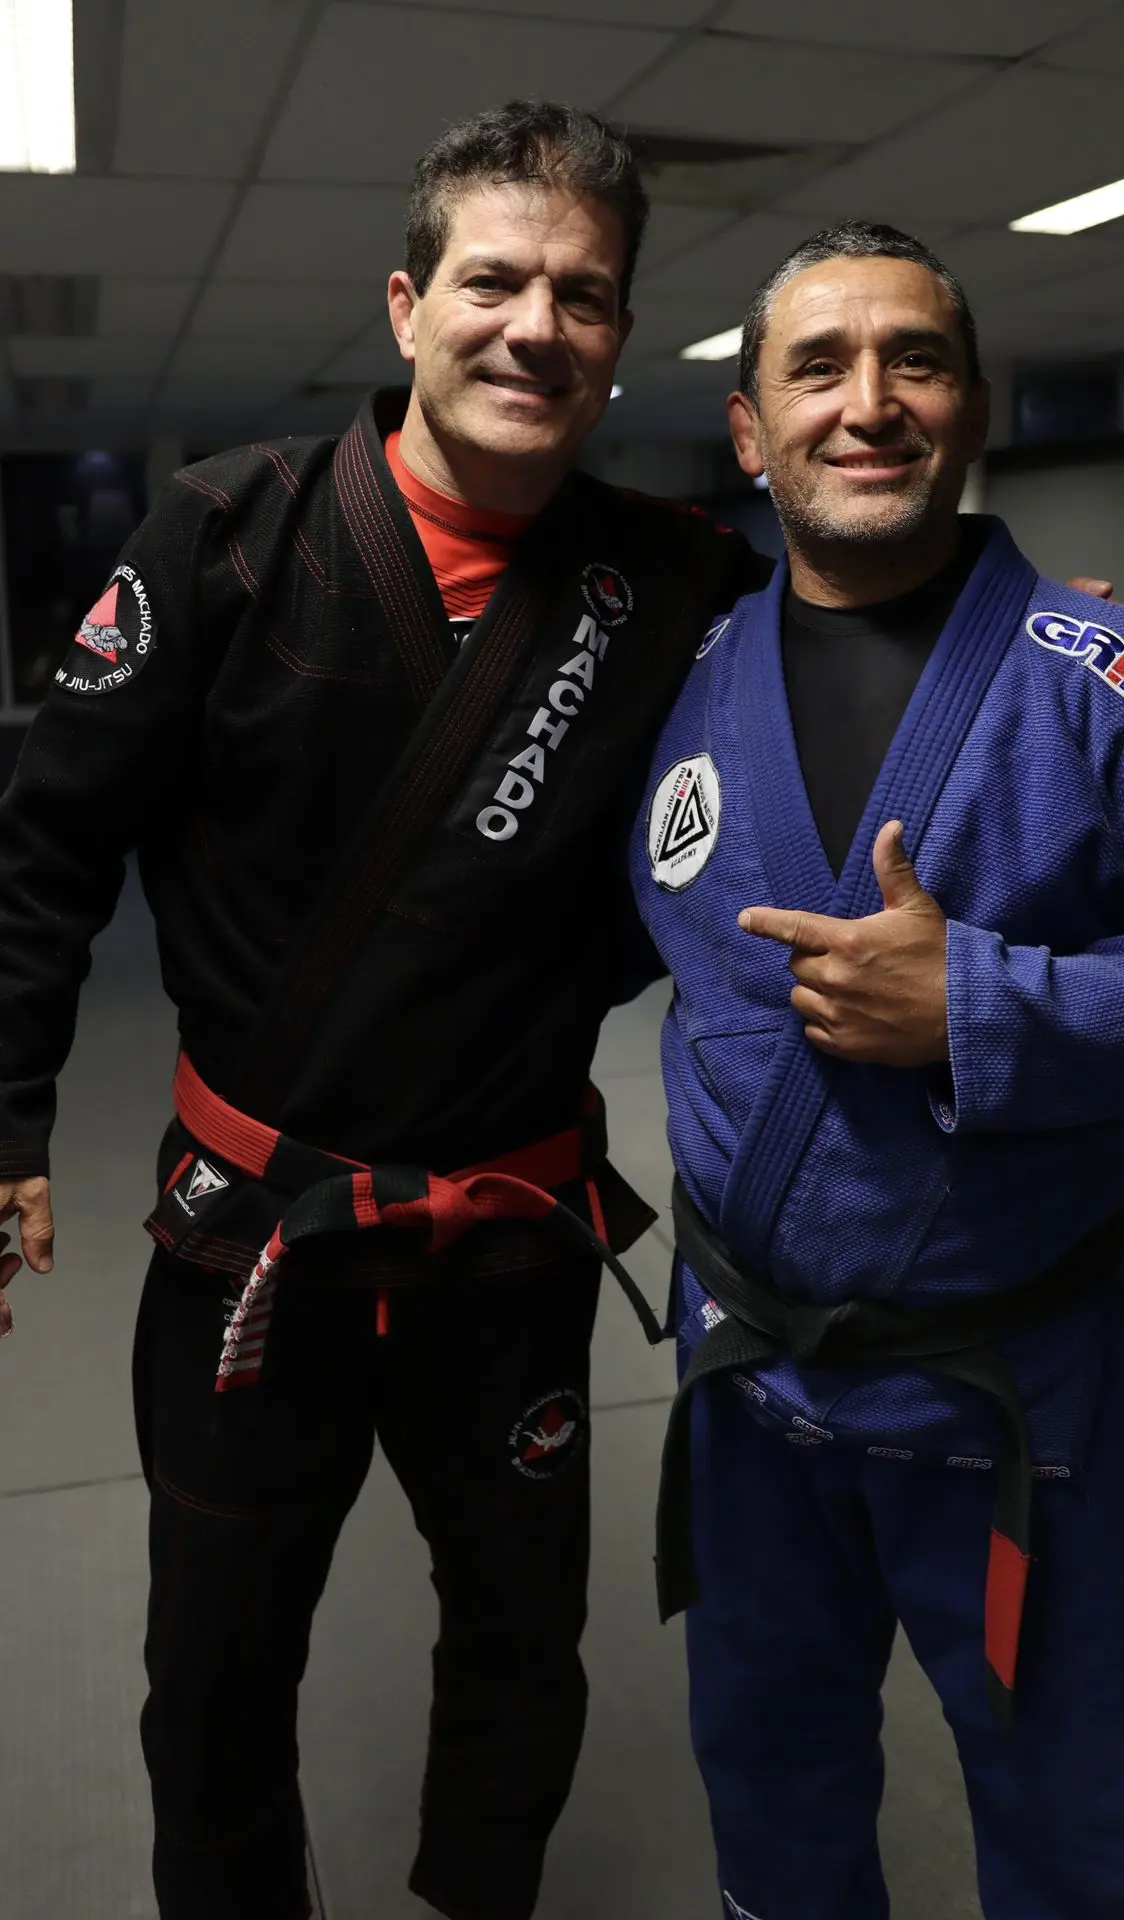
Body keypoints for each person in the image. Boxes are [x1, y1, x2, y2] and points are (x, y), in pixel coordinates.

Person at [0, 102, 766, 1920]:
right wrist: (6, 1116)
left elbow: (849, 633)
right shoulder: (223, 538)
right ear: (409, 305)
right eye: (496, 280)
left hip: (506, 1243)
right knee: (213, 1676)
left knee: (521, 1650)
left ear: (621, 337)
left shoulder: (668, 583)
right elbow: (43, 846)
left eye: (585, 296)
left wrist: (997, 615)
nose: (537, 326)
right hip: (253, 1237)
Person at [631, 221, 1124, 1920]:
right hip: (747, 1380)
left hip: (1005, 1385)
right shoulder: (687, 678)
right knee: (770, 1788)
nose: (871, 402)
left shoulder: (1111, 682)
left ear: (975, 404)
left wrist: (981, 1006)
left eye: (913, 360)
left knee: (1083, 1828)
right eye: (818, 367)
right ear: (749, 431)